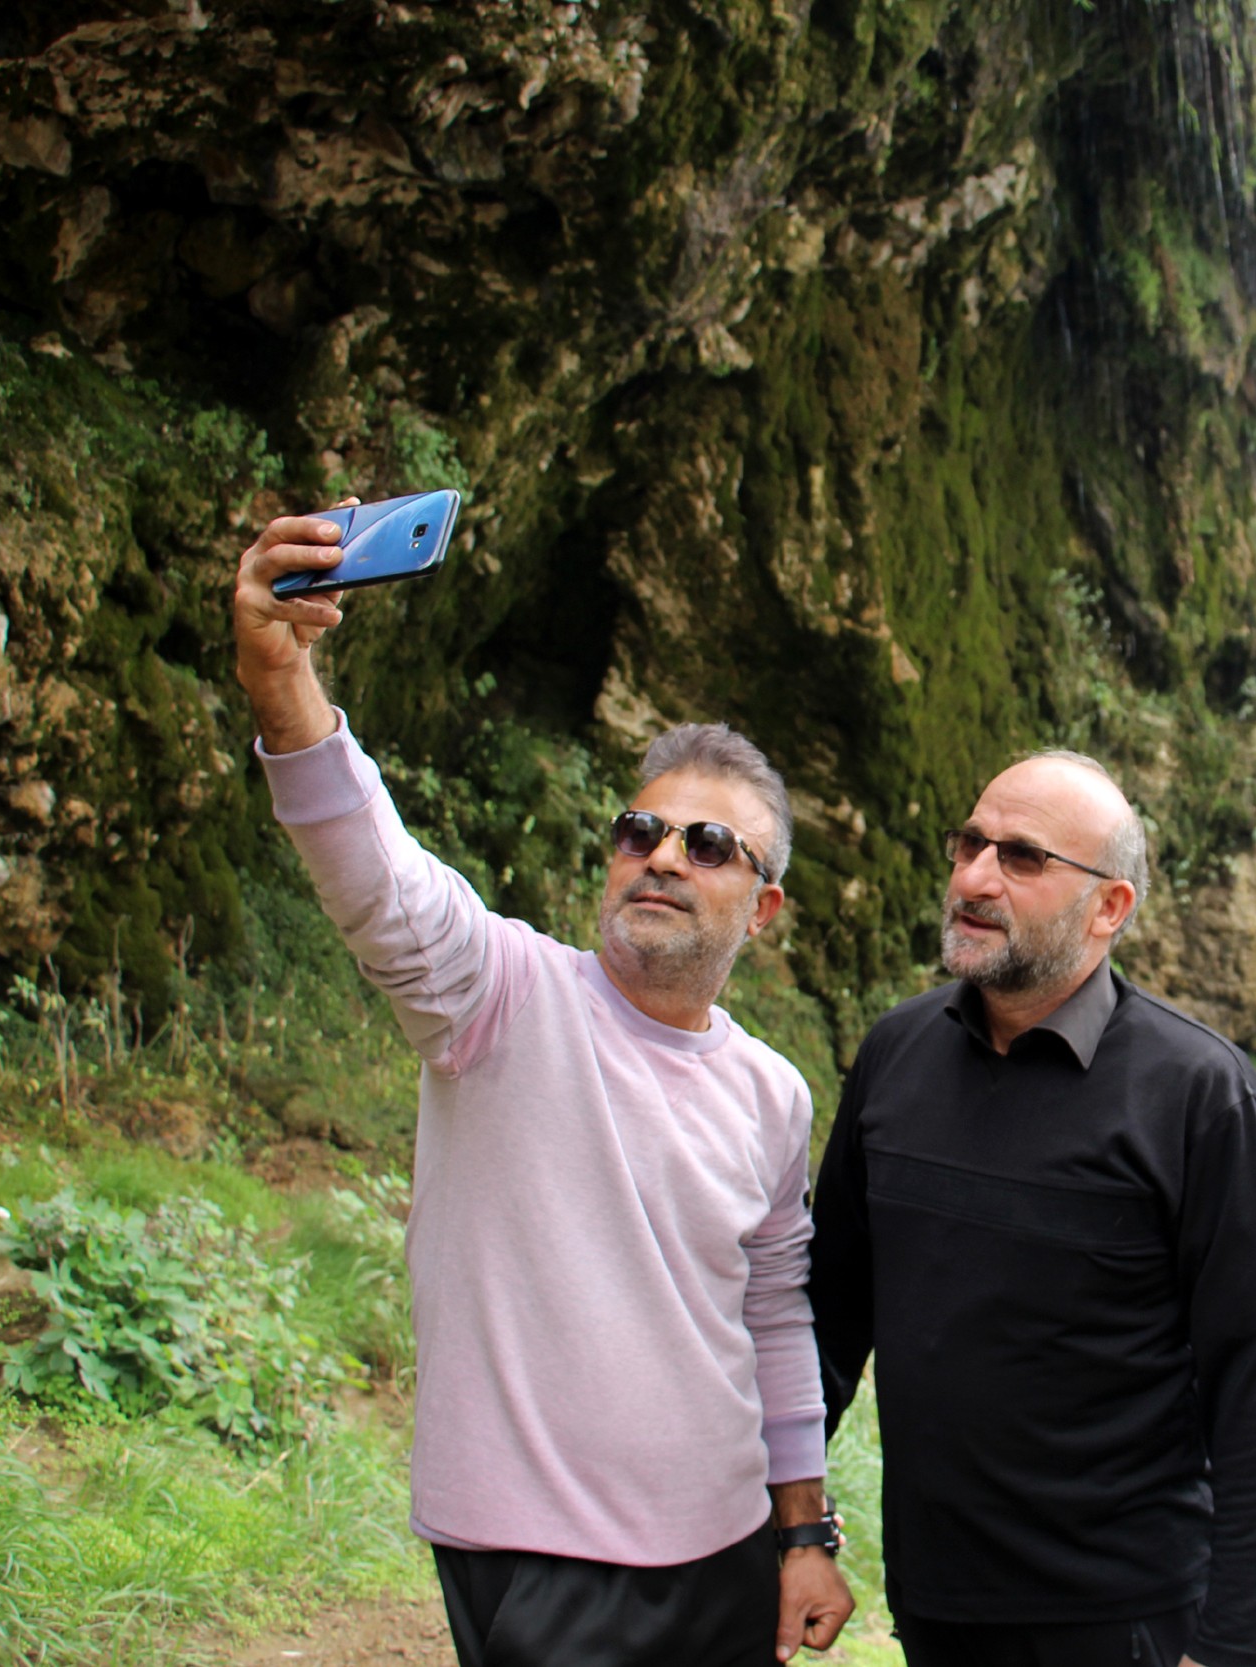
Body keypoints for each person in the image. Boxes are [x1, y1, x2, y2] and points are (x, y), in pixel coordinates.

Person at [232, 508, 854, 1667]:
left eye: (707, 844)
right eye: (640, 830)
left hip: (728, 1546)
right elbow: (377, 875)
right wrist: (281, 677)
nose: (661, 854)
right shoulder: (497, 993)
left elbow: (774, 1314)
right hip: (542, 1558)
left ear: (763, 907)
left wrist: (803, 1528)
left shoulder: (773, 1092)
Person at [808, 750, 1256, 1667]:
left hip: (1126, 1621)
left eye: (1022, 857)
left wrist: (1232, 1648)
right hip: (935, 1607)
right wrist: (793, 1526)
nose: (974, 877)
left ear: (1109, 906)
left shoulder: (1200, 1095)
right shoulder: (895, 1054)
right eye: (970, 844)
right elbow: (827, 1321)